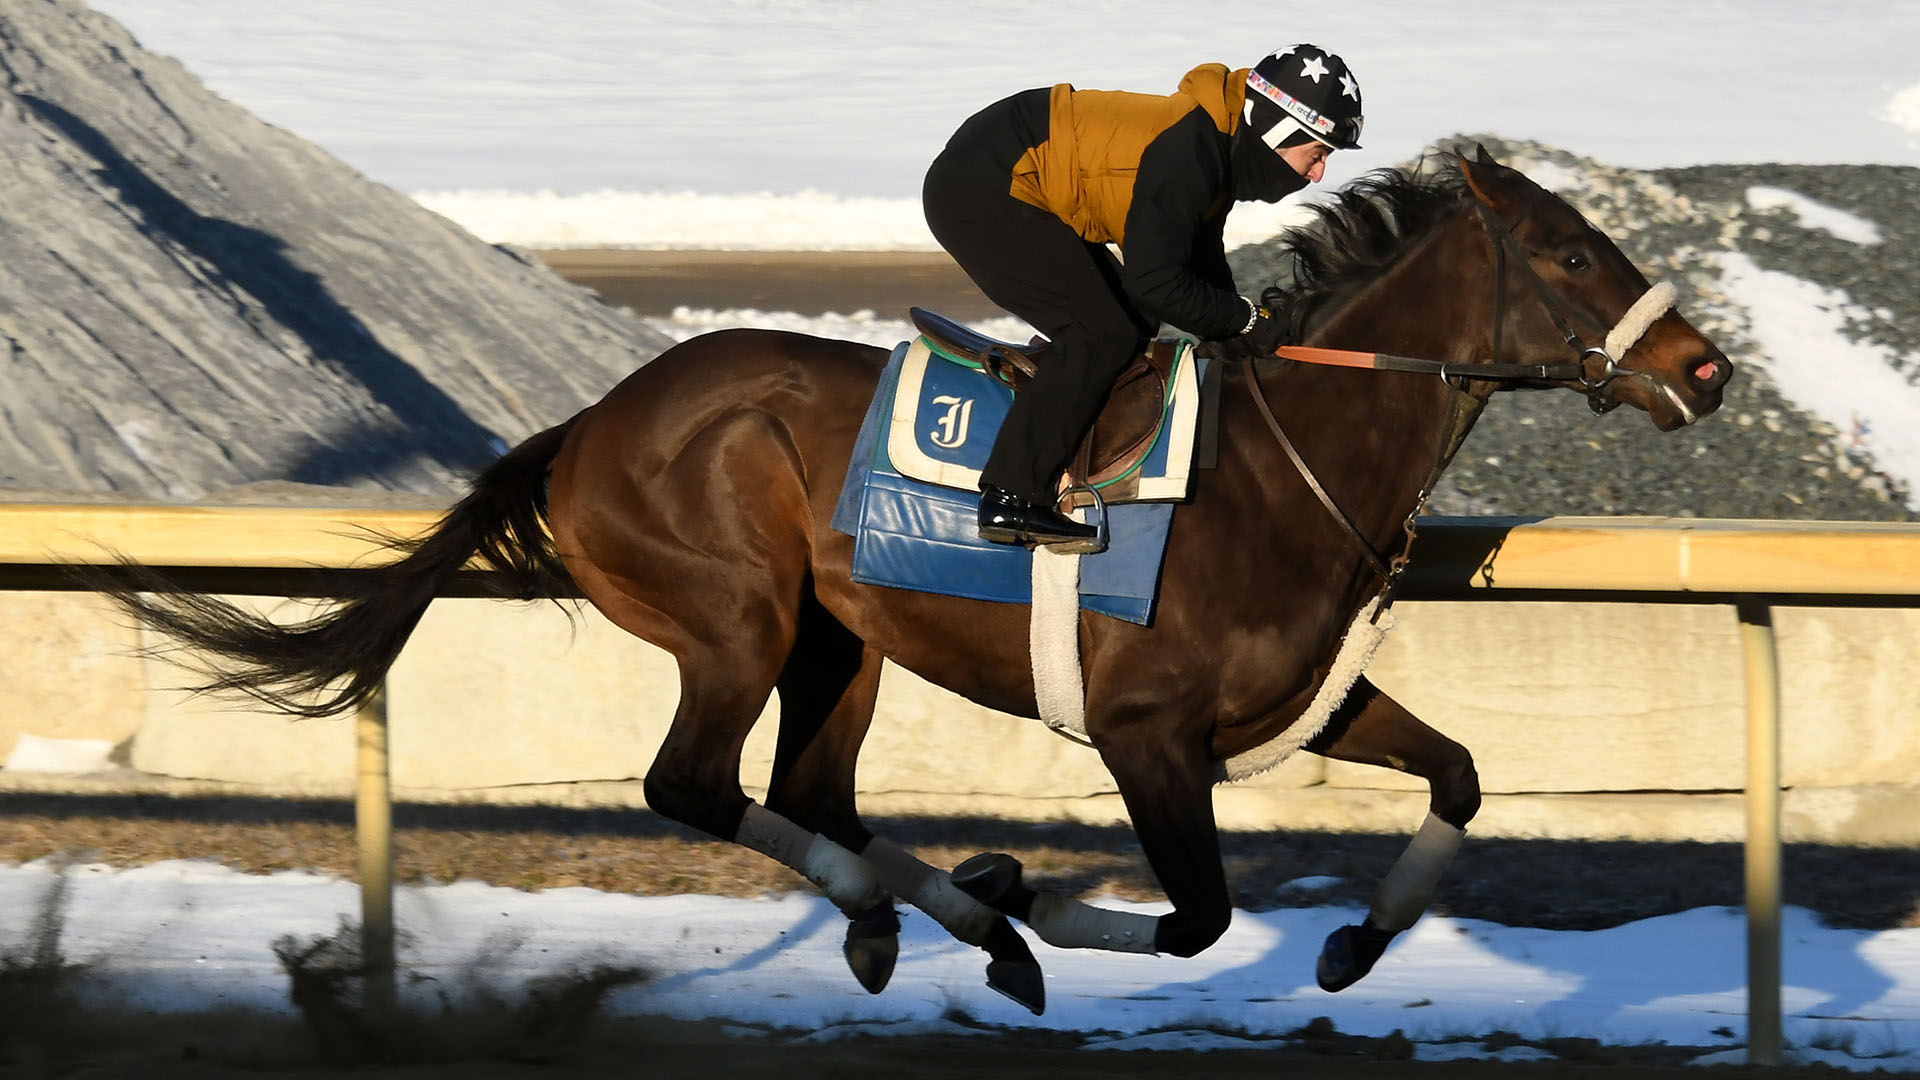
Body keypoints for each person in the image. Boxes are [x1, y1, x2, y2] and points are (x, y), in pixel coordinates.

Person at [922, 44, 1364, 547]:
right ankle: (1012, 497)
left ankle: (1064, 446)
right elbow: (1156, 283)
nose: (1318, 174)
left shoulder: (1216, 149)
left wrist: (1255, 336)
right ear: (1278, 133)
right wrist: (1248, 321)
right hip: (982, 184)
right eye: (1317, 153)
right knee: (1099, 330)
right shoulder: (1191, 155)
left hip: (1008, 162)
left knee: (1130, 321)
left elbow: (1198, 273)